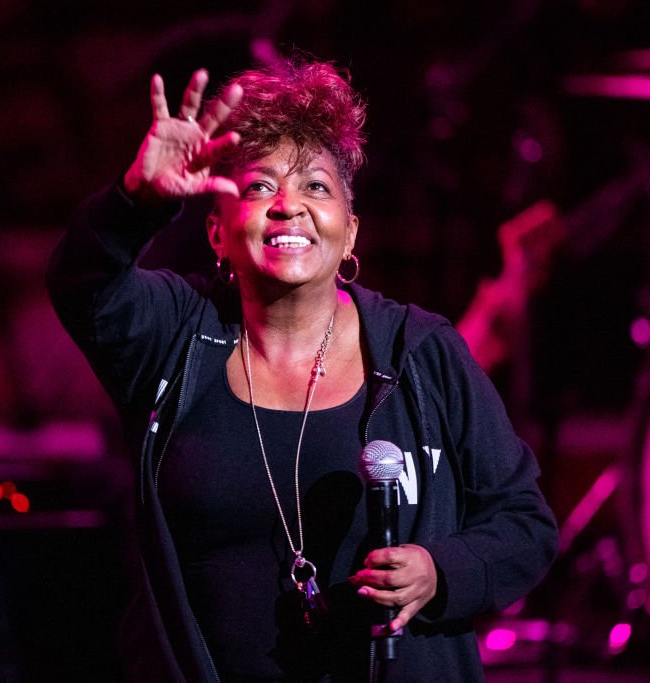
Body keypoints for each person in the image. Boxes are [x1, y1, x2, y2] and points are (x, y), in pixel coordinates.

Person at [47, 57, 557, 682]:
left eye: (316, 185)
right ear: (217, 232)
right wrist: (135, 202)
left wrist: (439, 571)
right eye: (260, 187)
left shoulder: (420, 351)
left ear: (350, 233)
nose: (288, 205)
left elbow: (525, 524)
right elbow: (82, 285)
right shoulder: (176, 334)